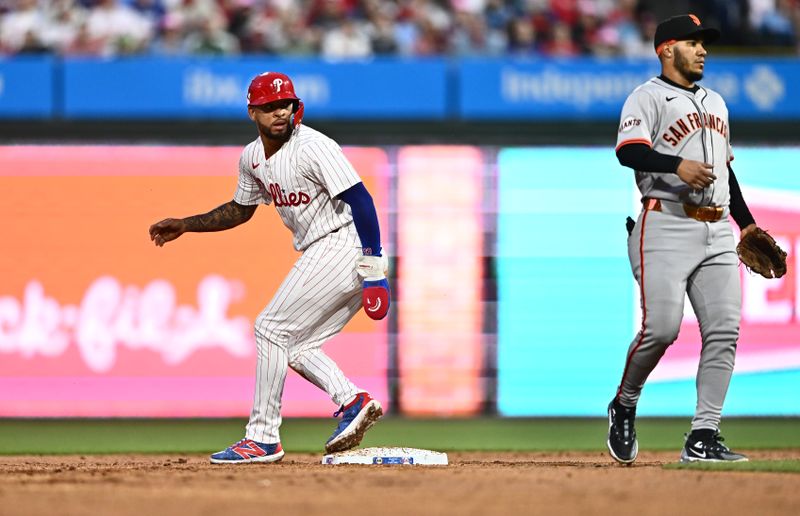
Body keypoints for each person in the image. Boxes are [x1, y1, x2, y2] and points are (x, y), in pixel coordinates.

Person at [149, 71, 390, 464]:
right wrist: (187, 224)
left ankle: (261, 438)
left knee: (270, 328)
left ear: (297, 107)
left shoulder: (314, 146)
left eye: (285, 104)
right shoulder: (251, 158)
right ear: (252, 112)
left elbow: (362, 201)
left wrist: (374, 269)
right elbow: (241, 211)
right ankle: (352, 400)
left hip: (344, 243)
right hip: (326, 249)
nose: (279, 112)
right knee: (294, 345)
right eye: (269, 106)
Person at [608, 14, 760, 464]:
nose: (703, 50)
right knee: (662, 329)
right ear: (667, 48)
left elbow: (725, 171)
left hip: (716, 229)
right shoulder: (647, 96)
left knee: (724, 331)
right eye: (694, 42)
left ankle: (704, 434)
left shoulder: (716, 102)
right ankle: (626, 401)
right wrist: (677, 166)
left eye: (704, 43)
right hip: (665, 222)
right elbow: (628, 151)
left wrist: (746, 223)